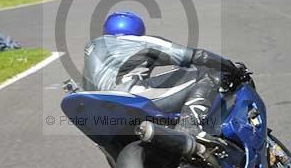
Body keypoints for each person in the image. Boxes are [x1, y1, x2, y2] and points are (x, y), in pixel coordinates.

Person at [82, 12, 248, 135]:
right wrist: (231, 67)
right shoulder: (140, 41)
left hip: (96, 106)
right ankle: (188, 126)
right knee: (207, 73)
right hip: (129, 96)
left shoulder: (92, 47)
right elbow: (197, 56)